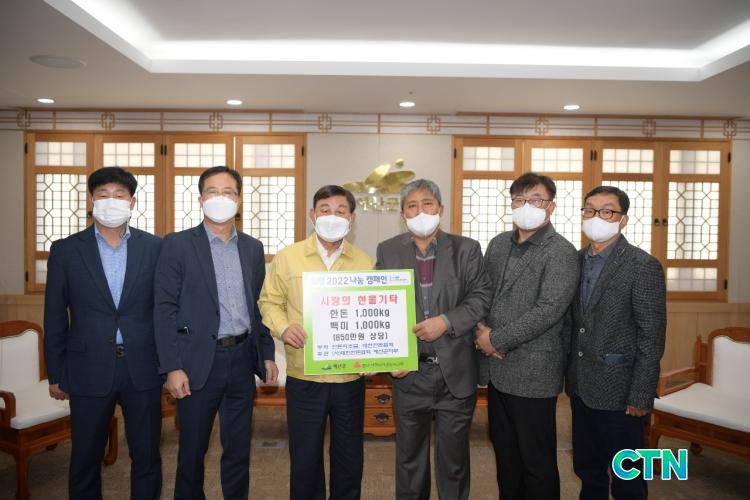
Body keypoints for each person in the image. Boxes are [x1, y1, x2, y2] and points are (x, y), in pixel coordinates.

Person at [154, 166, 277, 500]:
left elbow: (258, 307)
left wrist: (267, 354)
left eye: (228, 192)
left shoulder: (252, 247)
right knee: (192, 451)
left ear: (239, 200)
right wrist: (172, 366)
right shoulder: (177, 244)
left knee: (238, 449)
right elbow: (163, 309)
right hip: (196, 362)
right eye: (212, 191)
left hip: (241, 358)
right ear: (200, 199)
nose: (220, 198)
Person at [44, 166, 162, 499]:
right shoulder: (66, 250)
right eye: (103, 195)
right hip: (87, 367)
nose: (111, 201)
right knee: (85, 458)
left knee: (147, 457)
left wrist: (171, 363)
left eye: (119, 195)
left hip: (143, 367)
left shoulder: (155, 248)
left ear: (132, 202)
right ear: (91, 201)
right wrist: (56, 372)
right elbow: (54, 315)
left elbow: (164, 310)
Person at [375, 179, 492, 500]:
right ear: (402, 214)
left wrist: (446, 321)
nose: (420, 211)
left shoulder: (467, 249)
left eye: (427, 203)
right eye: (412, 206)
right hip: (410, 373)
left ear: (440, 208)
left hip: (456, 371)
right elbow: (380, 305)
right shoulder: (388, 250)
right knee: (409, 460)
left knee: (453, 462)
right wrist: (389, 356)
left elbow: (481, 297)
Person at [258, 185, 373, 500]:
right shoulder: (288, 257)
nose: (332, 217)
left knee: (349, 457)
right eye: (325, 210)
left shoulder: (364, 262)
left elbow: (372, 316)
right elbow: (269, 302)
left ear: (352, 218)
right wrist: (284, 328)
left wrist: (374, 354)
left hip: (349, 377)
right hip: (304, 374)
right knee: (305, 457)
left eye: (340, 211)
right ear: (312, 214)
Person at [475, 172, 579, 500]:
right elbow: (482, 293)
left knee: (537, 462)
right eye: (519, 200)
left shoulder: (561, 251)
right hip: (496, 370)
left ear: (551, 207)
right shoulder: (498, 244)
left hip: (534, 372)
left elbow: (548, 311)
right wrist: (481, 332)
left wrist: (496, 340)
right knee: (506, 456)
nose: (526, 206)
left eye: (536, 200)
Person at [566, 185, 666, 500]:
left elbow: (651, 336)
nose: (596, 217)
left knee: (628, 476)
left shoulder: (642, 265)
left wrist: (641, 394)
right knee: (587, 469)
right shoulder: (575, 260)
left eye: (607, 211)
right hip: (581, 386)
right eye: (589, 210)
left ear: (623, 220)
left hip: (621, 393)